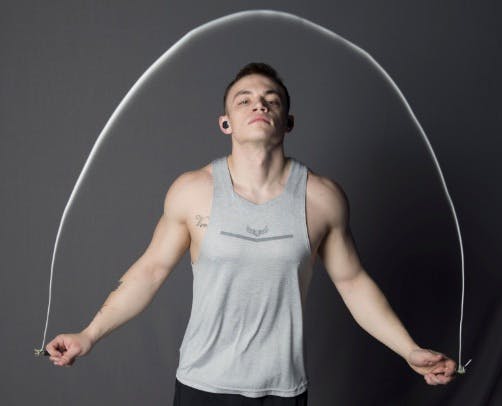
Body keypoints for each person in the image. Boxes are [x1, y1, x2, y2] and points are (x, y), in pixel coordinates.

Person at [46, 62, 457, 404]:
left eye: (270, 100)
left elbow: (353, 283)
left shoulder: (322, 198)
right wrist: (89, 334)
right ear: (226, 122)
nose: (258, 104)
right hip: (201, 385)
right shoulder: (192, 191)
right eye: (244, 100)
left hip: (283, 391)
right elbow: (149, 272)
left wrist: (409, 350)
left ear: (288, 121)